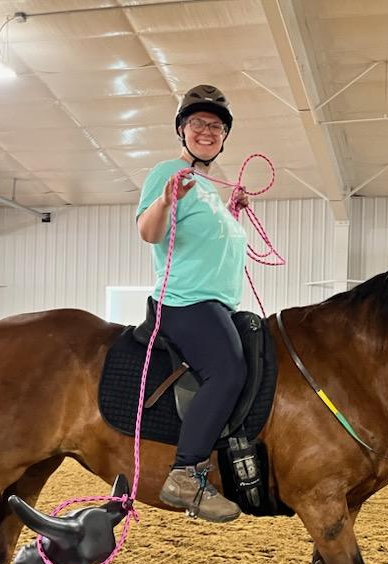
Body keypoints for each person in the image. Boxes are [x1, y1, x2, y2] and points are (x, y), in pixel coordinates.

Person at [135, 84, 250, 524]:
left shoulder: (209, 189)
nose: (207, 130)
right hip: (184, 301)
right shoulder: (170, 172)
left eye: (216, 126)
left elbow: (208, 244)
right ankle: (186, 474)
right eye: (198, 123)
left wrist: (232, 211)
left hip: (218, 303)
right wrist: (164, 200)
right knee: (227, 369)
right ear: (182, 129)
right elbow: (149, 232)